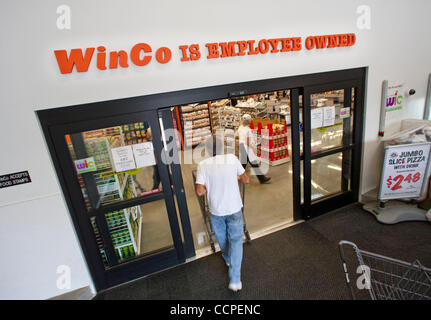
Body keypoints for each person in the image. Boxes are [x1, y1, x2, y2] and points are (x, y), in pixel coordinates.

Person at [195, 135, 250, 292]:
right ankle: (235, 279)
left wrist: (206, 187)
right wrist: (237, 177)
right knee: (236, 240)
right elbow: (246, 179)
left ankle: (227, 258)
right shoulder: (232, 159)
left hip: (216, 210)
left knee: (221, 236)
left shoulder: (203, 165)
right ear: (223, 147)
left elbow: (200, 191)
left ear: (206, 150)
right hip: (234, 207)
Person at [237, 114, 271, 184]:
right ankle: (262, 179)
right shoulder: (248, 130)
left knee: (243, 164)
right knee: (253, 164)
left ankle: (236, 176)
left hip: (241, 147)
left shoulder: (240, 127)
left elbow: (237, 136)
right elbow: (248, 142)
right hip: (247, 149)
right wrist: (255, 148)